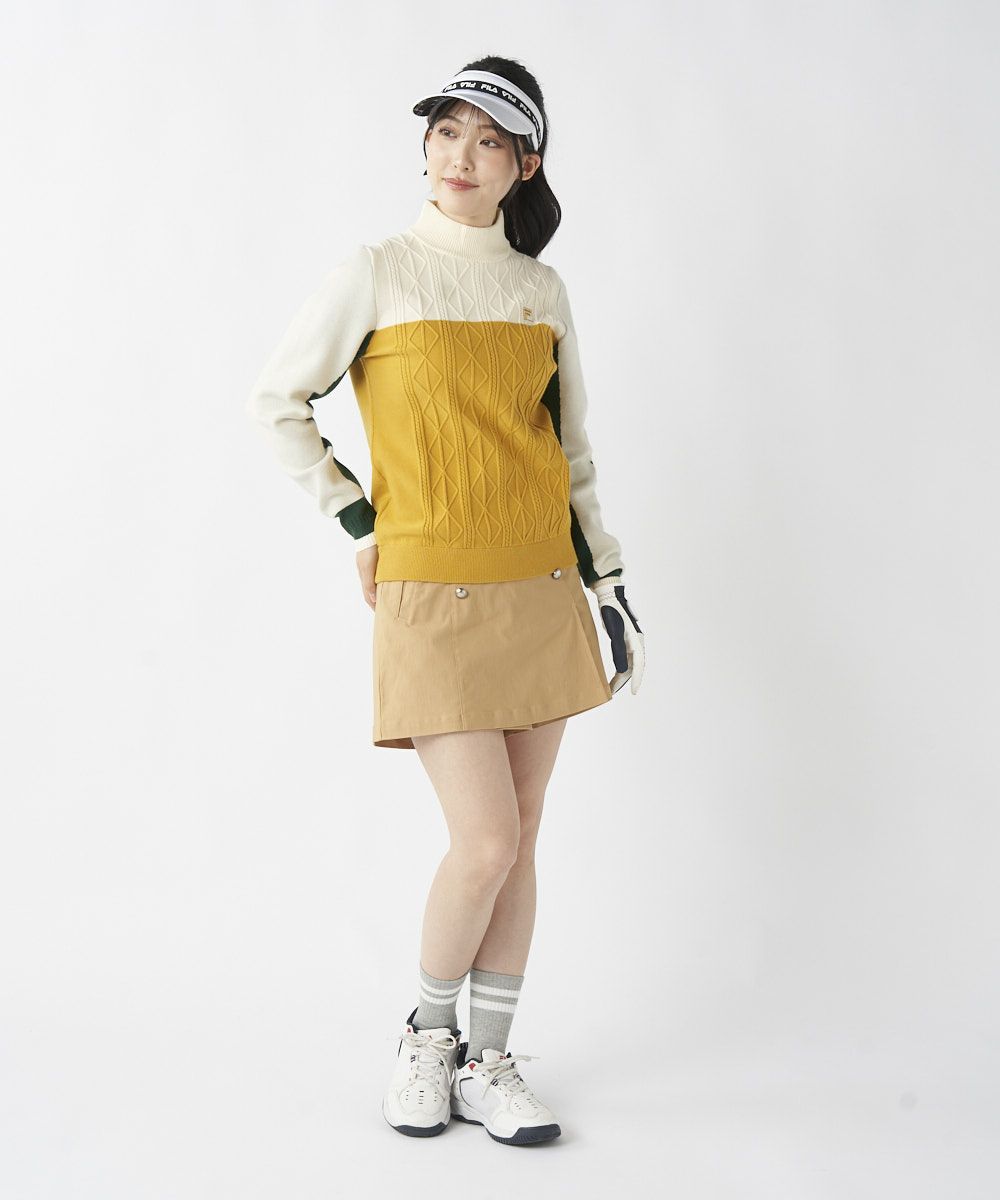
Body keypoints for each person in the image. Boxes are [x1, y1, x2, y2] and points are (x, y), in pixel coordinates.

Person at [246, 56, 645, 1146]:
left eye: (487, 140)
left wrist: (609, 585)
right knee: (484, 841)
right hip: (430, 588)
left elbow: (568, 455)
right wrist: (358, 521)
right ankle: (427, 1038)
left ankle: (489, 1060)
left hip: (542, 585)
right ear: (425, 143)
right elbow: (278, 401)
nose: (459, 155)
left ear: (525, 165)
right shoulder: (376, 272)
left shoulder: (539, 292)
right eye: (446, 131)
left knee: (522, 838)